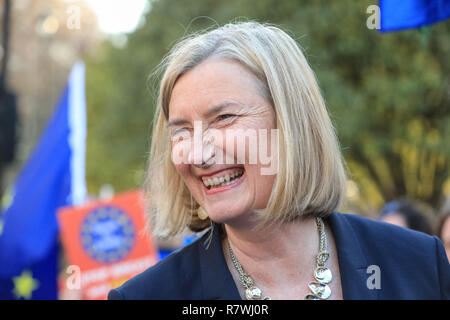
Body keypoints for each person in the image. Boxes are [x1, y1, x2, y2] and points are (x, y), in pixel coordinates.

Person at [108, 21, 449, 300]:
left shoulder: (419, 263)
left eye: (224, 118)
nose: (197, 154)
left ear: (292, 123)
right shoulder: (147, 296)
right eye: (181, 131)